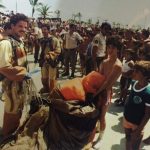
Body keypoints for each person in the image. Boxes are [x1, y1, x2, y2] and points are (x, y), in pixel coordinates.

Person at [0, 13, 30, 137]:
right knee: (12, 111)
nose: (23, 29)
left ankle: (11, 133)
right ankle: (6, 136)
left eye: (25, 26)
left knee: (18, 110)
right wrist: (22, 73)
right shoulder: (6, 43)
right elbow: (3, 67)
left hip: (20, 84)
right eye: (20, 26)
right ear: (12, 26)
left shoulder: (19, 41)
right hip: (12, 84)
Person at [92, 35, 123, 148]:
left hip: (106, 93)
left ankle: (101, 138)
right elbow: (98, 76)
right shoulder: (104, 62)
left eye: (113, 48)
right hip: (98, 90)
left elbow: (107, 84)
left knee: (102, 116)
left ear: (117, 49)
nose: (110, 50)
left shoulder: (118, 66)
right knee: (95, 113)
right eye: (108, 47)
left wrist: (95, 93)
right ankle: (96, 129)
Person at [123, 60, 150, 150]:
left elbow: (147, 115)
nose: (133, 73)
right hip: (127, 119)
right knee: (128, 139)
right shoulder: (134, 83)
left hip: (137, 125)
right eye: (134, 70)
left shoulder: (148, 92)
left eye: (137, 72)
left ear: (146, 76)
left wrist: (138, 131)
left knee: (134, 145)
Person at [38, 24, 61, 93]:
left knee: (52, 78)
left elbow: (58, 50)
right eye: (42, 30)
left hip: (52, 61)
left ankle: (52, 92)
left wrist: (49, 55)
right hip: (44, 61)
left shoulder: (54, 39)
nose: (43, 31)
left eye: (45, 29)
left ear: (48, 30)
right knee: (44, 77)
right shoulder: (42, 40)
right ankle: (46, 88)